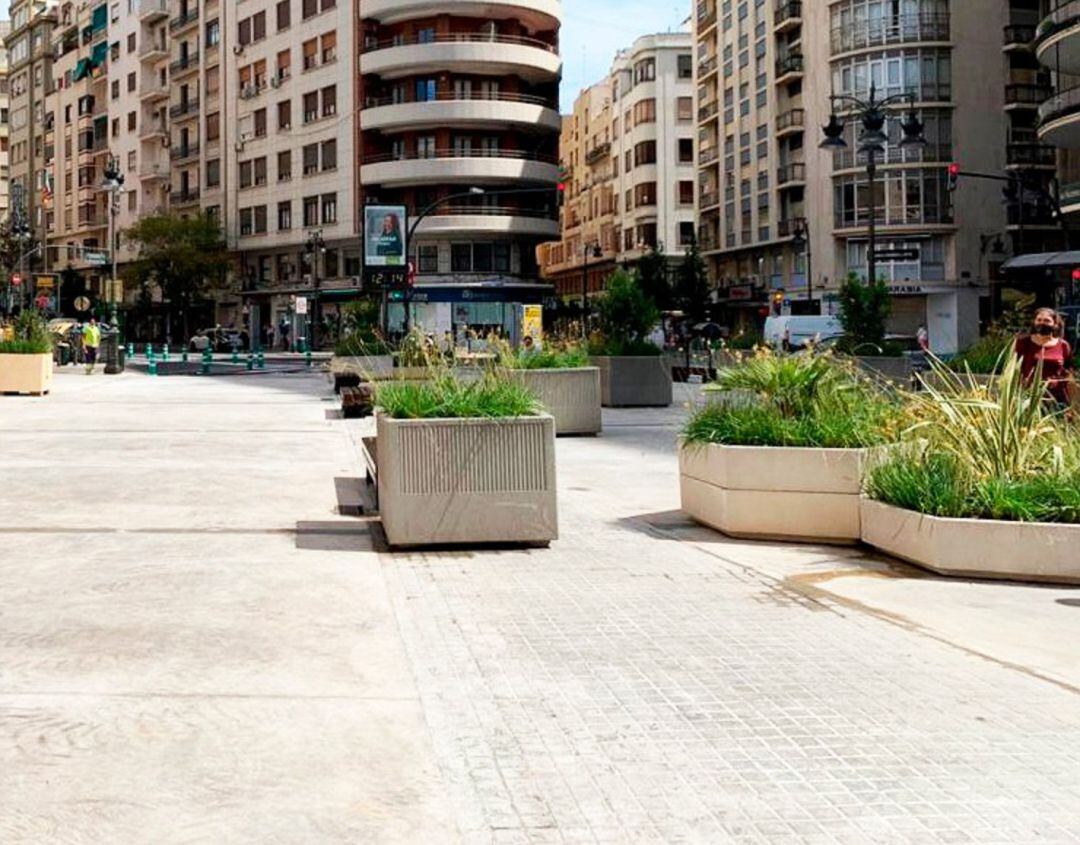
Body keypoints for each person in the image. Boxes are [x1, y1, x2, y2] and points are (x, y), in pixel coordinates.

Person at [1014, 307, 1073, 405]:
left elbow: (1067, 371)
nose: (1042, 323)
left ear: (1055, 324)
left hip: (1056, 399)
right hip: (1029, 398)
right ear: (1034, 322)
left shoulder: (1063, 345)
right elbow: (1015, 369)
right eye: (1039, 320)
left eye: (1047, 321)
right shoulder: (1023, 343)